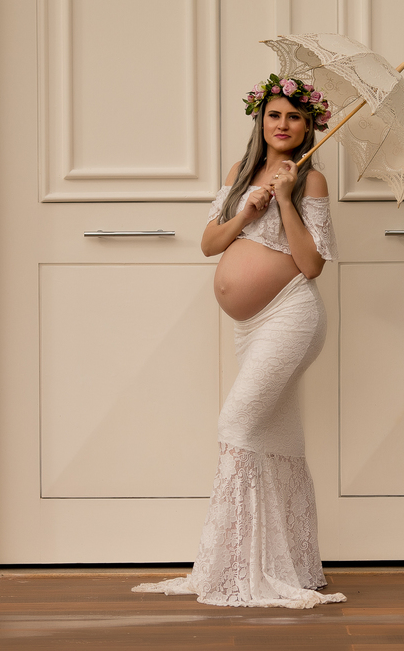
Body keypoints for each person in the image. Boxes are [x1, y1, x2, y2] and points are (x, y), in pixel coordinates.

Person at [132, 74, 345, 609]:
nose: (283, 124)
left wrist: (287, 200)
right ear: (260, 120)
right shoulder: (239, 173)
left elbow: (312, 265)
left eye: (294, 117)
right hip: (249, 327)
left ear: (308, 127)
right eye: (274, 115)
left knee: (237, 425)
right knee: (276, 439)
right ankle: (292, 564)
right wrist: (248, 209)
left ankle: (230, 567)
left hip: (291, 314)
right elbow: (209, 243)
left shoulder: (312, 180)